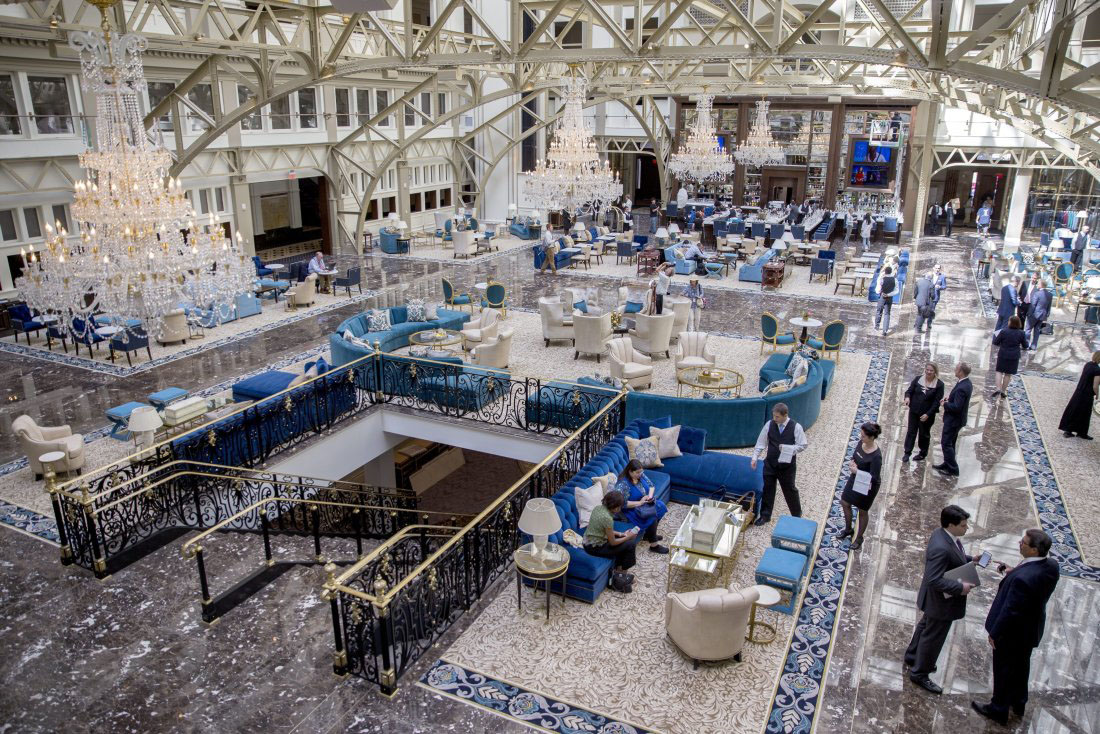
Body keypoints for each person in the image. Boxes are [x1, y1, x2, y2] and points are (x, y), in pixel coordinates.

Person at [971, 529, 1060, 725]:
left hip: (1011, 634)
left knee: (1003, 669)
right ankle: (1019, 703)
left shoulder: (1022, 579)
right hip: (1030, 630)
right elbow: (1031, 581)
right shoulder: (1051, 566)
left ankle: (998, 708)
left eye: (1024, 543)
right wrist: (1014, 571)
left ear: (1035, 550)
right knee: (1021, 667)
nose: (1019, 543)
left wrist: (995, 633)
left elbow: (1011, 610)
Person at [904, 504, 977, 694]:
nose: (966, 528)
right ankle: (920, 672)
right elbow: (934, 579)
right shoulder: (942, 548)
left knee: (924, 626)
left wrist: (969, 559)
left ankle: (913, 656)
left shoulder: (941, 534)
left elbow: (954, 556)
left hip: (933, 602)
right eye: (963, 525)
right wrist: (960, 588)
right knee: (933, 637)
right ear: (951, 525)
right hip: (941, 603)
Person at [750, 403, 808, 526]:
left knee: (790, 490)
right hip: (770, 464)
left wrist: (789, 449)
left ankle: (796, 515)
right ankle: (765, 516)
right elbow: (761, 442)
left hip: (787, 467)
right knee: (768, 489)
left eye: (777, 417)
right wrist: (755, 457)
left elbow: (803, 445)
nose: (774, 419)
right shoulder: (769, 424)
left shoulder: (796, 427)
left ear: (785, 415)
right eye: (774, 416)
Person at [582, 489, 640, 593]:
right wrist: (628, 536)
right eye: (620, 507)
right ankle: (621, 574)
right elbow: (613, 543)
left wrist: (622, 534)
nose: (620, 509)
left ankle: (619, 569)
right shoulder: (607, 518)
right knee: (630, 544)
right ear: (616, 507)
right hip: (595, 547)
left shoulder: (598, 508)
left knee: (625, 540)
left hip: (589, 541)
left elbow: (604, 530)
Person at [838, 422, 883, 551]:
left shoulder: (876, 456)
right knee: (845, 502)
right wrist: (853, 464)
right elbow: (855, 456)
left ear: (871, 438)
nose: (860, 437)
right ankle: (848, 529)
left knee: (862, 511)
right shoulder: (860, 443)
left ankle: (859, 538)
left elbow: (874, 478)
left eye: (863, 436)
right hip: (855, 478)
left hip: (868, 486)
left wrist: (857, 471)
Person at [615, 460, 669, 554]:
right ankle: (654, 545)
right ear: (630, 471)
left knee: (661, 507)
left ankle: (648, 535)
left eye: (641, 472)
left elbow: (651, 486)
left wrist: (650, 497)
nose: (640, 474)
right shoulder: (623, 484)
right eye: (637, 472)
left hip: (644, 502)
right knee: (651, 516)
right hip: (630, 509)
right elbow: (621, 504)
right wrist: (640, 502)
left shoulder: (640, 475)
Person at [935, 363, 972, 477]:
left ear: (961, 371)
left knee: (946, 443)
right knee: (950, 442)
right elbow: (957, 401)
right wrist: (949, 399)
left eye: (956, 368)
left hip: (954, 420)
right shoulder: (966, 383)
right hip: (957, 420)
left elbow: (957, 407)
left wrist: (945, 404)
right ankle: (947, 463)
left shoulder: (962, 387)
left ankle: (953, 468)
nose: (955, 370)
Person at [902, 362, 945, 462]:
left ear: (935, 372)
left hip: (927, 415)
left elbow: (936, 402)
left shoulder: (939, 385)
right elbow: (909, 391)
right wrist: (907, 398)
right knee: (911, 432)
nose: (929, 372)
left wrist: (928, 414)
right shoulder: (918, 379)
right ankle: (907, 452)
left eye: (931, 370)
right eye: (927, 370)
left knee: (924, 434)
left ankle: (922, 453)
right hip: (914, 411)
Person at [1058, 351, 1100, 439]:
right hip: (1087, 394)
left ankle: (1068, 430)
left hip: (1079, 391)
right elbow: (1095, 386)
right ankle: (1081, 432)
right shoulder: (1097, 370)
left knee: (1074, 410)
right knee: (1084, 413)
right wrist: (1097, 395)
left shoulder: (1088, 364)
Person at [991, 316, 1028, 399]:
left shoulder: (1003, 331)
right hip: (1014, 356)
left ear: (1010, 322)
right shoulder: (1021, 333)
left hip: (1003, 354)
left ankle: (998, 388)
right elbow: (1025, 345)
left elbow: (995, 342)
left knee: (999, 371)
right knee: (1008, 374)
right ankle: (1003, 391)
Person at [1025, 277, 1052, 351]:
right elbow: (1049, 307)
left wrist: (1029, 314)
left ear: (1041, 285)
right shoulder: (1050, 294)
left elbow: (1033, 305)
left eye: (1038, 284)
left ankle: (1026, 345)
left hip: (1034, 315)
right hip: (1042, 316)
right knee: (1037, 331)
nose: (1037, 285)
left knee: (1028, 330)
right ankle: (1034, 346)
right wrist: (1047, 315)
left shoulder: (1037, 294)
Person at [874, 266, 898, 335]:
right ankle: (885, 330)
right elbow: (896, 290)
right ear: (891, 272)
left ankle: (877, 326)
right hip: (889, 298)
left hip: (882, 297)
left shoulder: (882, 279)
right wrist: (889, 294)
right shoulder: (895, 280)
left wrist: (880, 292)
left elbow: (878, 290)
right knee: (887, 313)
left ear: (885, 272)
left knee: (879, 311)